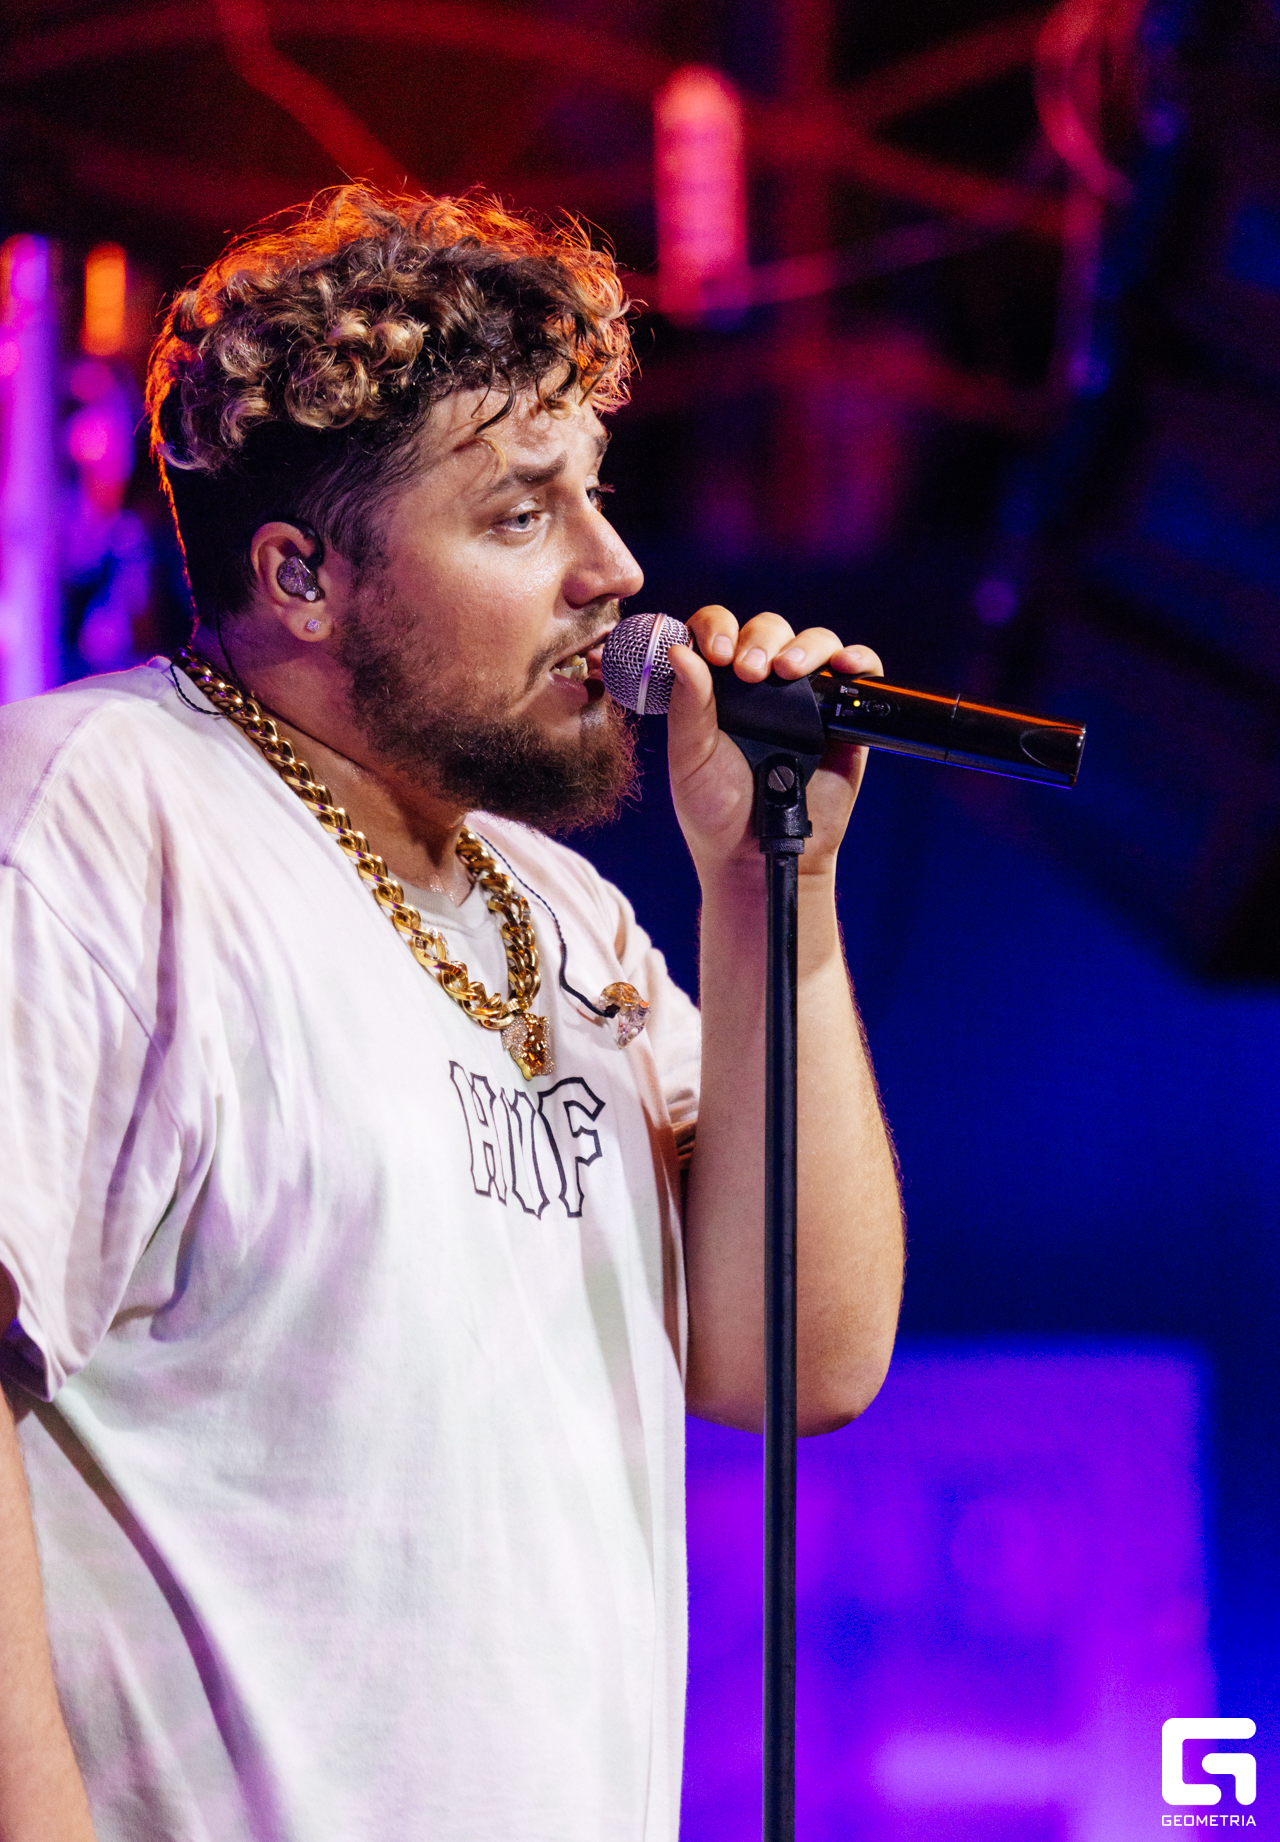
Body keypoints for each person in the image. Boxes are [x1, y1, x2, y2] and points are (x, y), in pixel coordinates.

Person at [0, 187, 903, 1842]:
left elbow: (803, 1359)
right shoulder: (95, 822)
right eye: (520, 514)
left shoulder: (566, 914)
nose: (614, 570)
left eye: (595, 493)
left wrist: (777, 893)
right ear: (303, 574)